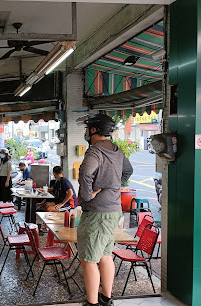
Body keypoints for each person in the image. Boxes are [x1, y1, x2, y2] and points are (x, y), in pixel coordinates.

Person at [77, 114, 133, 306]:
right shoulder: (117, 150)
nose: (85, 132)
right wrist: (114, 186)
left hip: (97, 212)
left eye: (87, 129)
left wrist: (87, 195)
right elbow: (128, 171)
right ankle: (106, 299)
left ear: (94, 130)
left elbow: (85, 173)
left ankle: (92, 303)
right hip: (113, 210)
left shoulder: (94, 151)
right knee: (105, 254)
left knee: (88, 259)